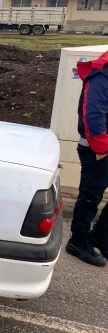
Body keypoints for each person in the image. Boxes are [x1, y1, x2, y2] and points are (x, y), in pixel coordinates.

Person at [68, 52, 108, 267]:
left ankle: (101, 236)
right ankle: (78, 240)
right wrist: (102, 149)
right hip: (98, 148)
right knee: (91, 195)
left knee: (93, 193)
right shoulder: (101, 76)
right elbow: (93, 115)